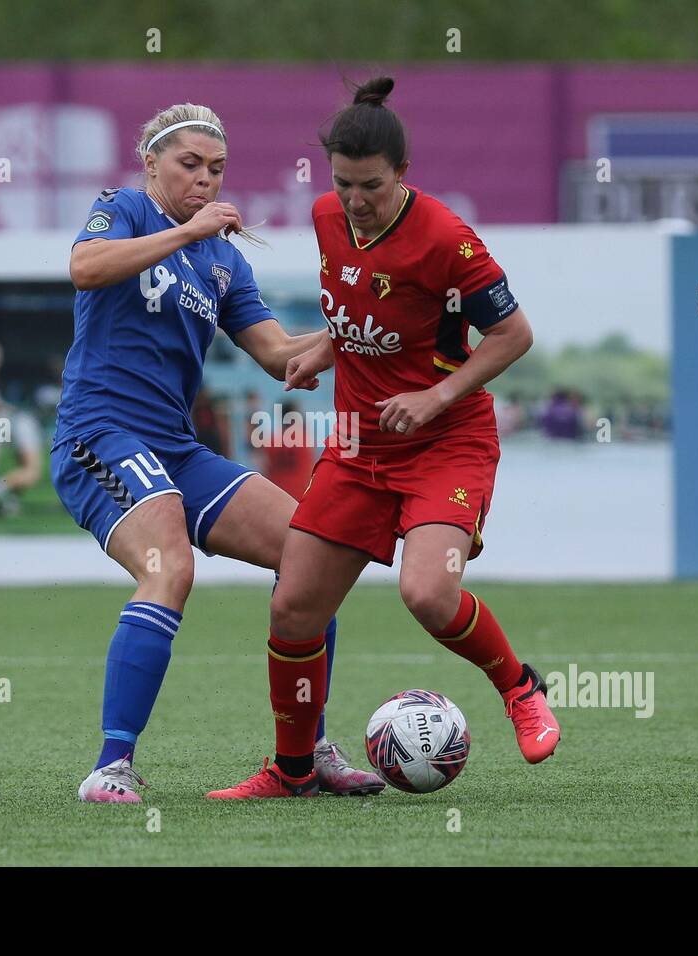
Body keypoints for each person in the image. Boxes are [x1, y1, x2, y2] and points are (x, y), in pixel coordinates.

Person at [208, 78, 560, 800]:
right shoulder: (325, 217)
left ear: (402, 173)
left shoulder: (448, 239)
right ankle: (295, 770)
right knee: (294, 608)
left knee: (428, 593)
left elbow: (513, 334)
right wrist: (326, 347)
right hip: (360, 446)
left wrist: (436, 395)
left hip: (446, 441)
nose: (355, 200)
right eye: (343, 183)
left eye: (370, 185)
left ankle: (519, 686)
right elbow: (362, 307)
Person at [53, 103, 384, 802]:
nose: (205, 180)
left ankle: (309, 749)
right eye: (189, 164)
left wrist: (359, 327)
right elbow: (84, 268)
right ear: (151, 163)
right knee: (168, 566)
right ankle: (110, 768)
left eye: (217, 169)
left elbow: (279, 358)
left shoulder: (224, 260)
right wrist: (186, 233)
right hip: (100, 434)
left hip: (175, 447)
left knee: (310, 558)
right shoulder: (123, 210)